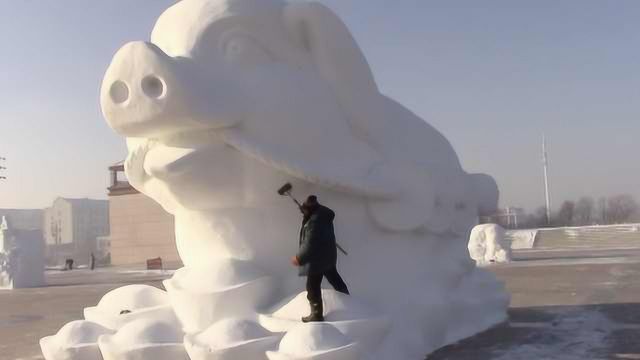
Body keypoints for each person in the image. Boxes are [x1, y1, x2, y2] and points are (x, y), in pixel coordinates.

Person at [291, 195, 349, 323]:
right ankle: (349, 303)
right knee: (335, 279)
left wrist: (299, 258)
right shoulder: (322, 215)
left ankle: (316, 314)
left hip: (317, 259)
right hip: (327, 256)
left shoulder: (314, 222)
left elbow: (310, 243)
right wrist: (306, 214)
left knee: (312, 287)